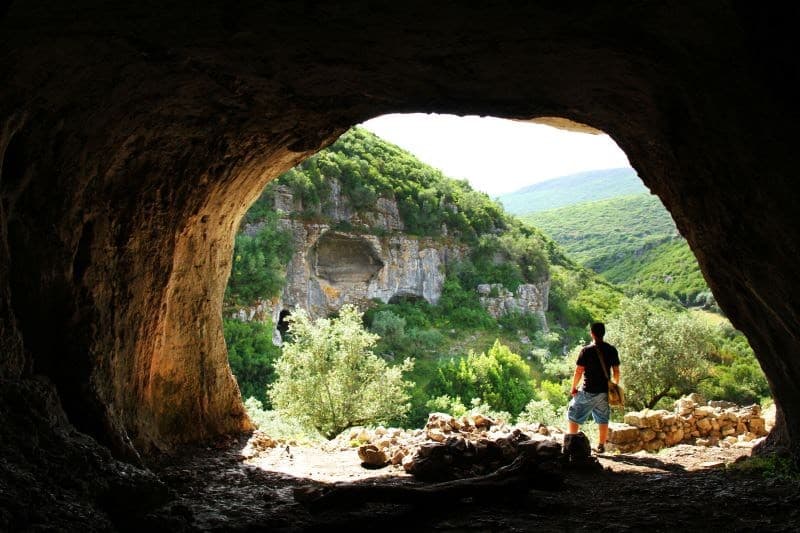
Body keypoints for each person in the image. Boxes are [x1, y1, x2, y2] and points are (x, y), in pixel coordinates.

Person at [567, 322, 621, 453]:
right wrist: (613, 386)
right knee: (603, 418)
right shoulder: (611, 349)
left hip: (588, 391)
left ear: (591, 333)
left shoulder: (586, 350)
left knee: (573, 414)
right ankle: (601, 445)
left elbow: (579, 371)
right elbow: (616, 372)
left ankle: (572, 443)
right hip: (604, 392)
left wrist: (573, 387)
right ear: (603, 333)